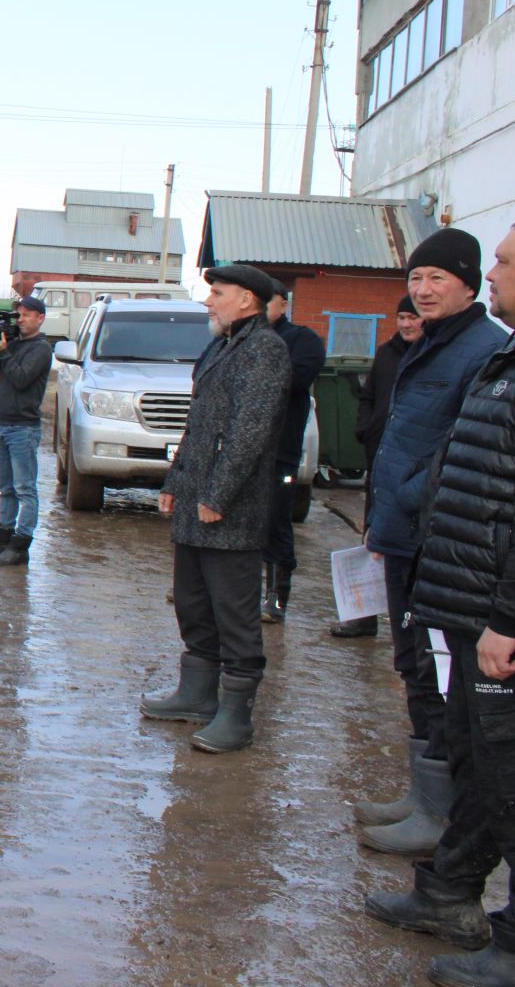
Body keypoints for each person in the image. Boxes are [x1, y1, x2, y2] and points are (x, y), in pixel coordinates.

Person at [365, 221, 515, 980]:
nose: (495, 271)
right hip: (456, 576)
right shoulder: (492, 353)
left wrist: (507, 617)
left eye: (502, 262)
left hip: (486, 595)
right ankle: (450, 890)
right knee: (470, 744)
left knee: (502, 763)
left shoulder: (490, 351)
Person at [140, 264, 290, 754]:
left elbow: (249, 436)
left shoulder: (265, 351)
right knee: (193, 601)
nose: (209, 302)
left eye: (217, 294)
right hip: (194, 502)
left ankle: (236, 714)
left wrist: (216, 496)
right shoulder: (224, 345)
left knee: (234, 612)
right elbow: (198, 426)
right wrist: (175, 482)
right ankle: (197, 694)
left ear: (247, 300)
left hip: (229, 511)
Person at [335, 295, 424, 638]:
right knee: (371, 534)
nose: (406, 324)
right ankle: (363, 614)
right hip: (379, 460)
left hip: (413, 468)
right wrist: (366, 428)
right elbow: (368, 396)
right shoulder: (387, 354)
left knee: (407, 542)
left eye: (412, 317)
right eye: (401, 316)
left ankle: (411, 622)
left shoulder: (428, 355)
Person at [258, 281, 327, 624]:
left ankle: (276, 597)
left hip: (281, 451)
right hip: (243, 450)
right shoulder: (240, 339)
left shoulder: (303, 340)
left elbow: (296, 378)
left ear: (282, 304)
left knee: (275, 520)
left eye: (266, 303)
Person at [0, 295, 51, 567]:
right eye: (19, 314)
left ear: (40, 318)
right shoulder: (13, 342)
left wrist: (4, 351)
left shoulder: (41, 348)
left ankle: (21, 545)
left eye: (27, 314)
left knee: (25, 488)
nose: (21, 319)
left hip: (23, 427)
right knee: (6, 488)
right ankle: (1, 538)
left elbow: (22, 378)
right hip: (4, 425)